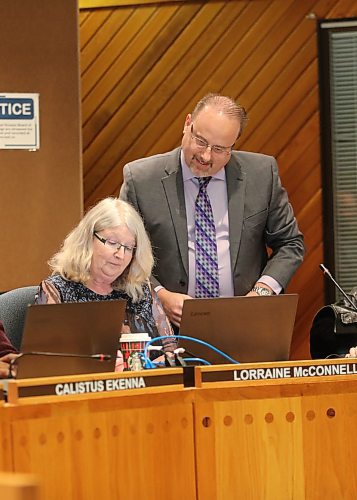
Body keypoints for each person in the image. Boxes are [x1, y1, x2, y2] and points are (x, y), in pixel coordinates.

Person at [119, 93, 305, 327]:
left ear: (233, 145)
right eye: (201, 141)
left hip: (245, 324)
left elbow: (290, 244)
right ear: (187, 124)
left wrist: (262, 292)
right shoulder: (141, 179)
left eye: (219, 149)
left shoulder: (261, 174)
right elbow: (124, 253)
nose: (206, 156)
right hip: (166, 327)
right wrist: (160, 296)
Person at [36, 197, 176, 355]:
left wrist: (161, 362)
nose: (120, 254)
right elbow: (45, 362)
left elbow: (171, 352)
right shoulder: (57, 290)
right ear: (88, 239)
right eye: (112, 243)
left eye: (129, 248)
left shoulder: (141, 290)